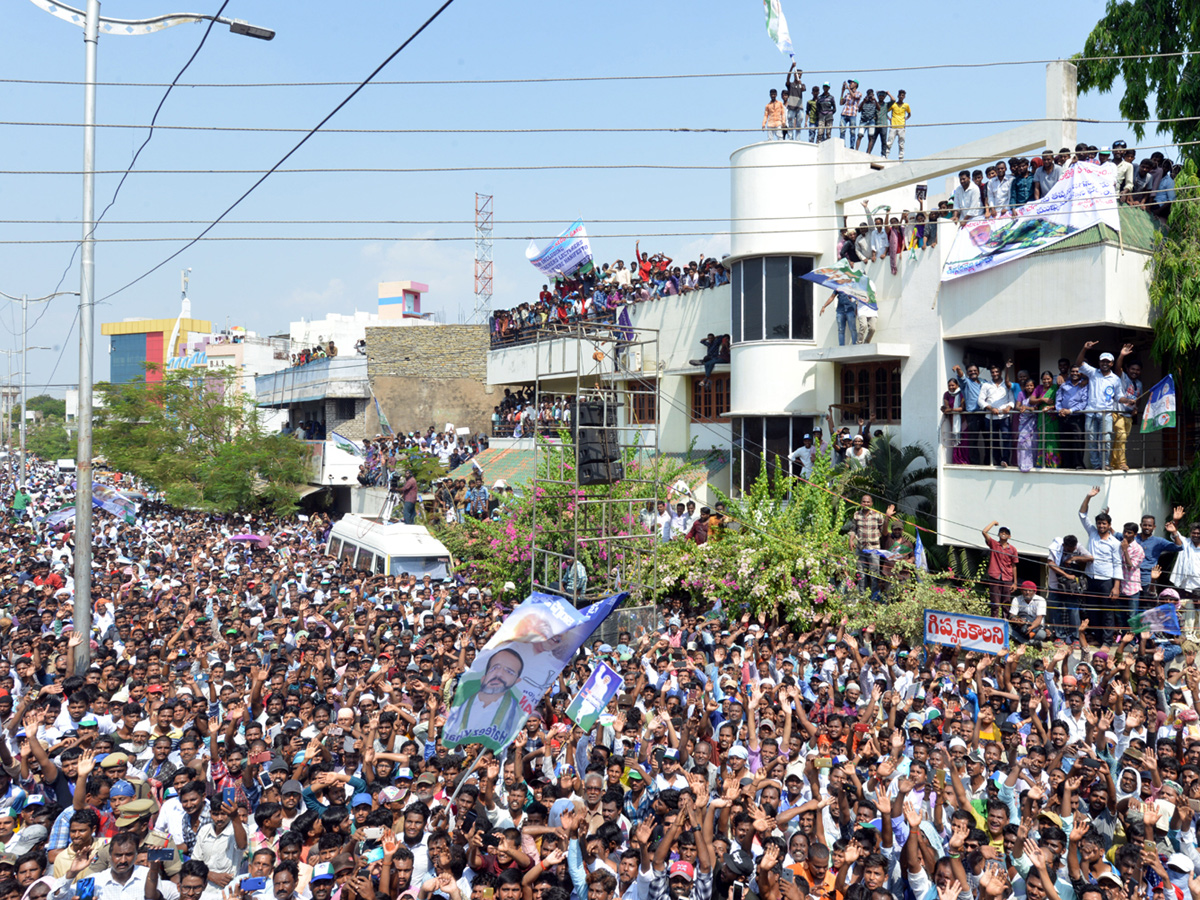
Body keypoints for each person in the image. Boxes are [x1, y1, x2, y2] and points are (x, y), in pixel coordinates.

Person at [1079, 486, 1124, 636]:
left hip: (1106, 581)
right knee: (1092, 610)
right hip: (1091, 578)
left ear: (1109, 526)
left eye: (1104, 524)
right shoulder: (1092, 533)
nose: (1101, 526)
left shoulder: (1114, 543)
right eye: (1099, 523)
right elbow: (1082, 515)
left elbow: (1118, 565)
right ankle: (1096, 638)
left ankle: (1107, 640)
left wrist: (1116, 587)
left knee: (1107, 612)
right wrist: (1088, 497)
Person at [1076, 340, 1123, 470]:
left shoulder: (1115, 379)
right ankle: (1096, 465)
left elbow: (1119, 396)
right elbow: (1078, 363)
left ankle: (1105, 463)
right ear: (1099, 362)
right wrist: (1084, 348)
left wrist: (1128, 401)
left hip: (1106, 413)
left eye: (1108, 361)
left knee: (1106, 440)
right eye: (1103, 361)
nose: (1105, 363)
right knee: (1091, 440)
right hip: (1091, 412)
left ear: (1112, 363)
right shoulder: (1093, 372)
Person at [1111, 342, 1141, 471]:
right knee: (1121, 436)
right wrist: (1121, 355)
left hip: (1129, 415)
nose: (1135, 372)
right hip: (1118, 412)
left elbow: (1137, 400)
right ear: (1127, 369)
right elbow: (1117, 368)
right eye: (1132, 369)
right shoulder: (1122, 378)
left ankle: (1113, 463)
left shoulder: (1139, 383)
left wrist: (1135, 409)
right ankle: (1122, 462)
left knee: (1121, 439)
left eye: (1138, 370)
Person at [981, 520, 1018, 618]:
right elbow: (984, 532)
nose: (1003, 534)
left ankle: (1005, 621)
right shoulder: (994, 544)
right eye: (1002, 532)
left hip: (1007, 577)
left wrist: (1015, 582)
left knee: (1006, 602)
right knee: (995, 602)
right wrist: (993, 523)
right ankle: (994, 622)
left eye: (1006, 533)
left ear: (1009, 536)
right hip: (995, 576)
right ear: (998, 534)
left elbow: (1014, 565)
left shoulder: (1012, 549)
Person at [1056, 364, 1088, 470]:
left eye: (1077, 371)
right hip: (1063, 417)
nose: (1075, 373)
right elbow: (1058, 399)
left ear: (1081, 373)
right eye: (1073, 371)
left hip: (1076, 417)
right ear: (1070, 373)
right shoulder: (1064, 385)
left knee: (1077, 441)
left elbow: (1084, 403)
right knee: (1065, 441)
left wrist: (1070, 411)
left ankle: (1078, 464)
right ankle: (1066, 464)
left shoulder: (1083, 385)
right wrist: (1059, 410)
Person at [942, 377, 967, 465]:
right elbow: (946, 407)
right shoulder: (946, 394)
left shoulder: (962, 394)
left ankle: (964, 461)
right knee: (955, 441)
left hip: (963, 421)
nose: (951, 387)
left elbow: (962, 408)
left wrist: (951, 410)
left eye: (953, 385)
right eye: (949, 386)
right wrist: (949, 409)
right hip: (953, 421)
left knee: (964, 440)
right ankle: (957, 460)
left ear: (957, 385)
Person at [883, 89, 911, 160]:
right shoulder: (894, 105)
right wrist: (889, 118)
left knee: (901, 144)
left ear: (904, 97)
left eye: (903, 95)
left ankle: (901, 158)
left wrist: (906, 118)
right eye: (900, 95)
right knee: (889, 142)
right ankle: (885, 156)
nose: (901, 97)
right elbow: (885, 112)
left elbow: (909, 113)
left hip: (901, 127)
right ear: (898, 96)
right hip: (893, 126)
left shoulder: (906, 105)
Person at [838, 80, 861, 149]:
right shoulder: (847, 94)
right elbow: (841, 103)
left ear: (856, 84)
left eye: (851, 83)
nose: (850, 84)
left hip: (852, 114)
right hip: (844, 113)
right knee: (842, 130)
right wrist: (842, 92)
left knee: (852, 131)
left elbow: (854, 96)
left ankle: (851, 146)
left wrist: (847, 88)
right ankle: (842, 145)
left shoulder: (859, 93)